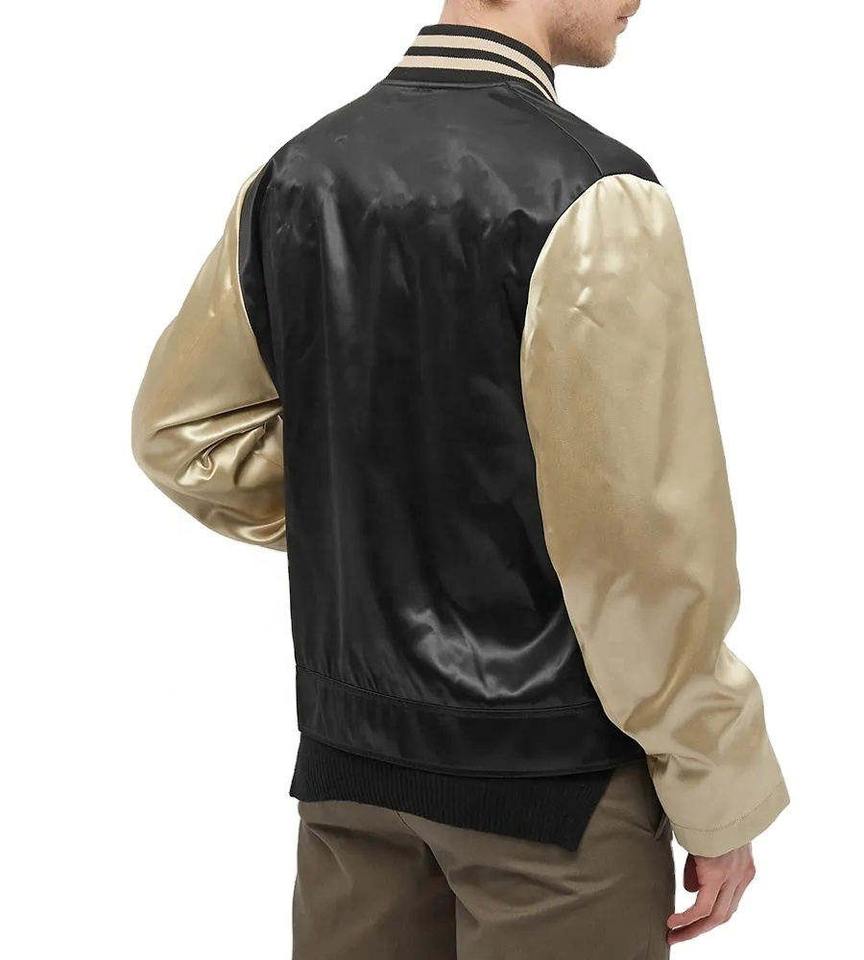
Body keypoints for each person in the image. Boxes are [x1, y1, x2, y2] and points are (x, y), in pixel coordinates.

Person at [131, 1, 788, 955]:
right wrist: (717, 785)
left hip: (351, 768)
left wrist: (372, 506)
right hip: (552, 796)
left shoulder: (295, 174)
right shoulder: (594, 194)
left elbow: (184, 436)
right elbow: (641, 551)